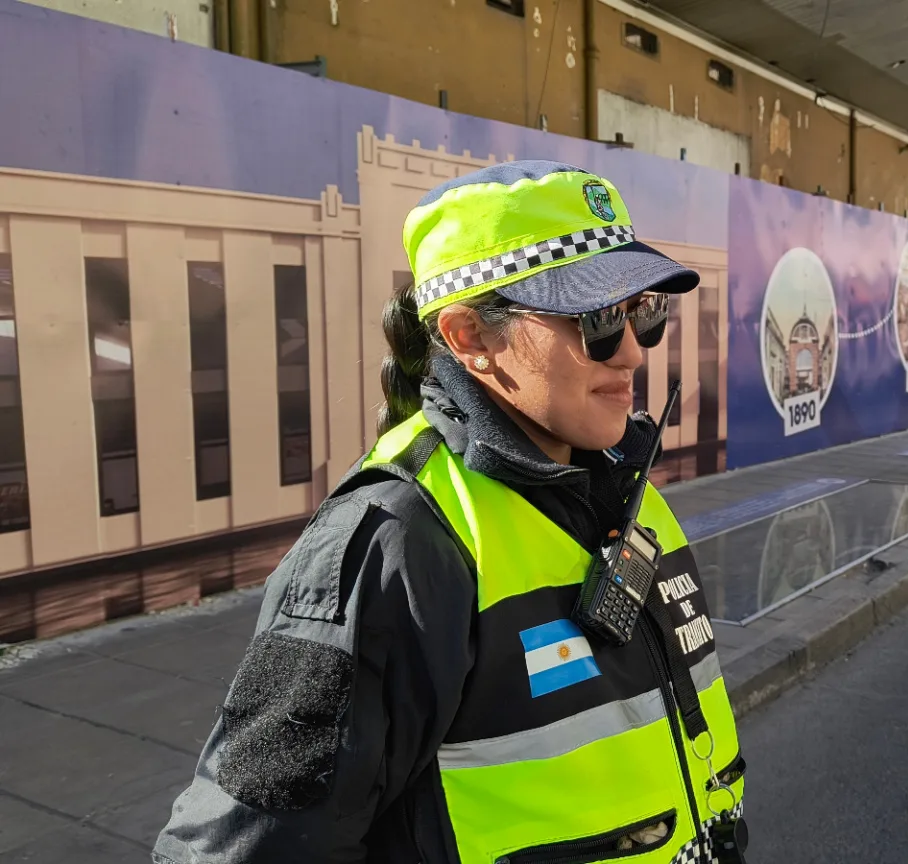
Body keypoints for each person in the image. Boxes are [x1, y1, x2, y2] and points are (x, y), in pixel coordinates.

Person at [153, 161, 749, 863]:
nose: (630, 354)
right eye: (595, 320)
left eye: (640, 311)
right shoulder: (396, 544)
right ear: (469, 337)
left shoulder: (626, 486)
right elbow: (239, 848)